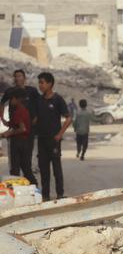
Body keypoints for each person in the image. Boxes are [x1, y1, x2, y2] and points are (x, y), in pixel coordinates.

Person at [35, 72, 72, 201]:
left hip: (54, 141)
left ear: (50, 84)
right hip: (42, 140)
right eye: (39, 83)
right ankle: (45, 196)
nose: (40, 85)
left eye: (42, 82)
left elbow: (68, 118)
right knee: (44, 170)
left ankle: (60, 194)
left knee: (56, 170)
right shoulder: (38, 100)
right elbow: (35, 118)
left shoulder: (57, 99)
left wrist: (60, 134)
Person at [0, 69, 40, 177]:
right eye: (15, 76)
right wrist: (2, 118)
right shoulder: (10, 91)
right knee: (14, 161)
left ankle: (29, 181)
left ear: (24, 78)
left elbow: (39, 103)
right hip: (14, 128)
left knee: (27, 158)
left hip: (28, 129)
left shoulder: (32, 91)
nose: (17, 78)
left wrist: (37, 117)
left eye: (20, 76)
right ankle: (16, 179)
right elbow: (2, 103)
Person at [0, 90, 36, 184]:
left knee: (15, 168)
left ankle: (17, 189)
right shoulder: (23, 110)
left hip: (18, 142)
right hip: (24, 142)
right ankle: (34, 184)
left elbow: (22, 128)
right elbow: (14, 125)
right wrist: (5, 123)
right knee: (26, 168)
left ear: (17, 99)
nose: (10, 101)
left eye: (12, 99)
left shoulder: (19, 112)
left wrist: (8, 134)